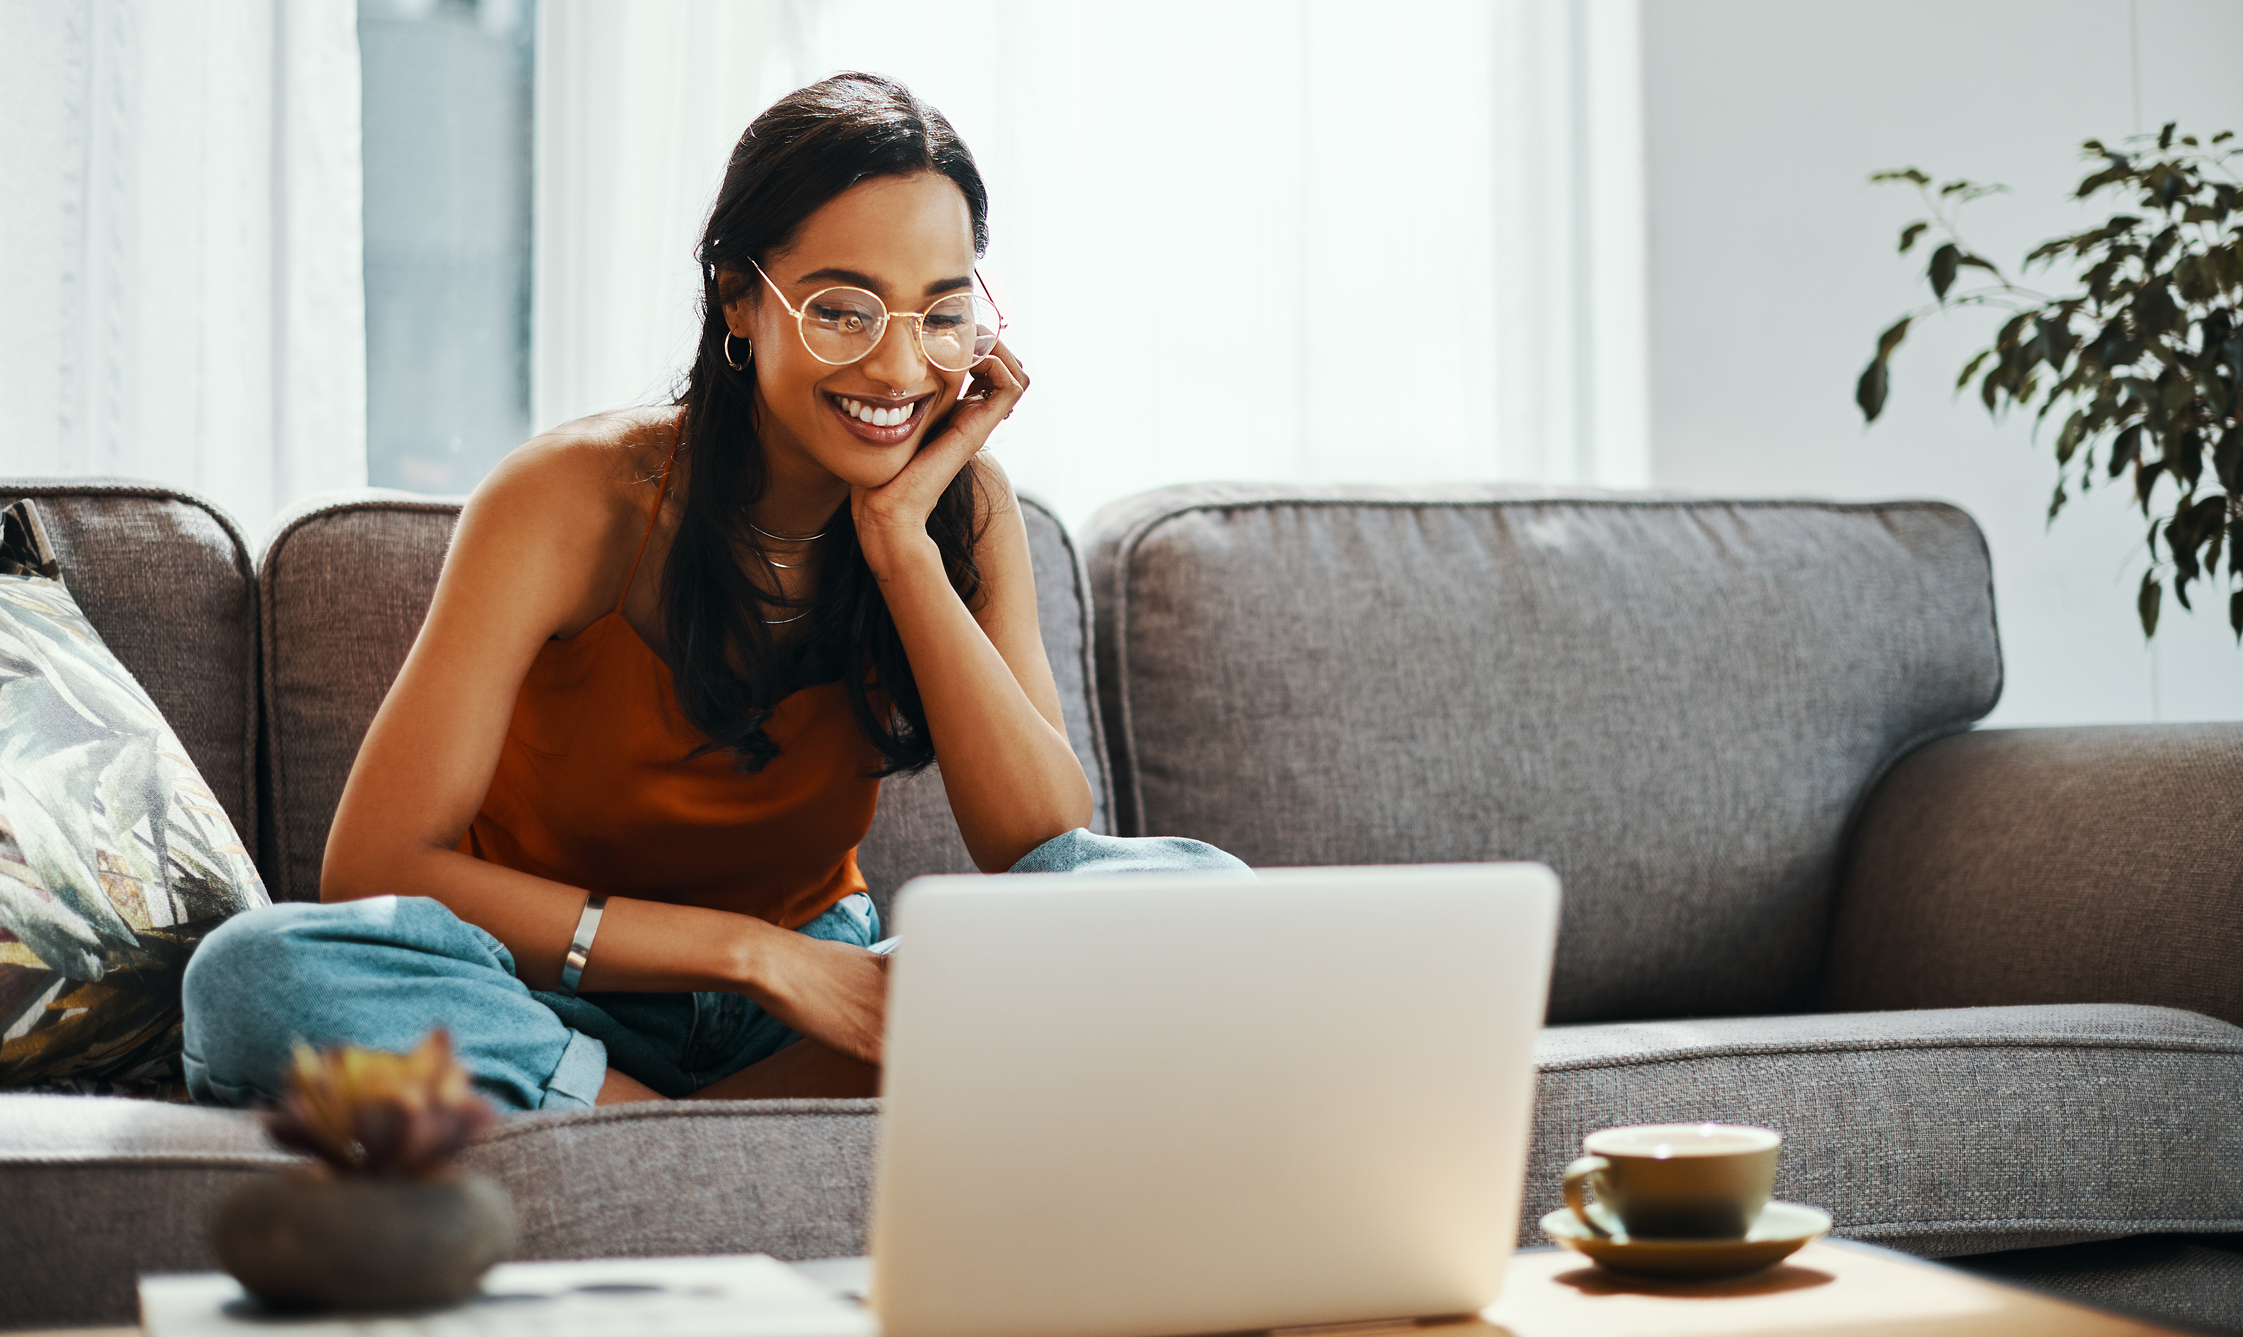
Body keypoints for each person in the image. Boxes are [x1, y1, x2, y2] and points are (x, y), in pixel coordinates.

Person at [182, 73, 1244, 1113]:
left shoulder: (956, 505)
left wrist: (898, 542)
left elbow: (1039, 838)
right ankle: (654, 1125)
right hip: (552, 993)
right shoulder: (570, 498)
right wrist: (752, 954)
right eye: (843, 310)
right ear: (738, 295)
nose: (897, 367)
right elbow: (375, 861)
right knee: (251, 973)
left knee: (1195, 899)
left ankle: (631, 1124)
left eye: (941, 314)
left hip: (824, 1012)